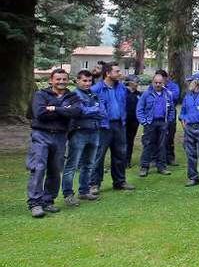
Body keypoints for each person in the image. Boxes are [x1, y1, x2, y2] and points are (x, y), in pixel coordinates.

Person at [26, 69, 81, 217]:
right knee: (38, 168)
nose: (61, 82)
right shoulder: (40, 95)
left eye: (64, 79)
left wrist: (54, 108)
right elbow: (40, 114)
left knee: (55, 170)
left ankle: (48, 201)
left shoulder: (73, 96)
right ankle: (35, 203)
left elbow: (76, 113)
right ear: (51, 80)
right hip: (41, 135)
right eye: (58, 79)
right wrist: (64, 111)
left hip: (61, 137)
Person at [61, 70, 104, 206]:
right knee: (72, 165)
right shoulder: (73, 95)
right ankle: (68, 194)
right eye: (84, 81)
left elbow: (103, 112)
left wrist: (91, 110)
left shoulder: (93, 94)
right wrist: (93, 110)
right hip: (79, 132)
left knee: (89, 164)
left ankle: (84, 191)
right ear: (77, 81)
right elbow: (79, 112)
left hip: (94, 131)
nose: (87, 83)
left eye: (90, 81)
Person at [91, 62, 134, 192]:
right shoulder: (96, 89)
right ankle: (94, 184)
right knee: (99, 155)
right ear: (108, 73)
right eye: (117, 71)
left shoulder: (121, 88)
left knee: (120, 154)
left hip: (119, 124)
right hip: (103, 126)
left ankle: (119, 181)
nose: (120, 73)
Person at [136, 72, 175, 176]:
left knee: (162, 145)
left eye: (160, 82)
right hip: (150, 123)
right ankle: (144, 167)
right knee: (148, 144)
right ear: (152, 83)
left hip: (163, 123)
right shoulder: (146, 94)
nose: (158, 84)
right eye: (156, 82)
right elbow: (139, 109)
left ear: (163, 83)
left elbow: (171, 109)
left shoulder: (168, 94)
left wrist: (169, 121)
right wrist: (144, 121)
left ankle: (161, 167)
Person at [156, 69, 181, 166]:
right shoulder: (154, 86)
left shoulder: (173, 86)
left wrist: (164, 89)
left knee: (170, 137)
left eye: (160, 79)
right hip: (158, 116)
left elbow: (174, 96)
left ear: (165, 78)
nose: (158, 82)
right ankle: (156, 158)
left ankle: (170, 158)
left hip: (170, 115)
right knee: (156, 138)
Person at [123, 75, 141, 168]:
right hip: (124, 120)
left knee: (130, 141)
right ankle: (121, 160)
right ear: (130, 82)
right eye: (135, 82)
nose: (137, 84)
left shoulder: (138, 94)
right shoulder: (123, 92)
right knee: (123, 141)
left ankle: (127, 161)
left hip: (134, 121)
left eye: (137, 82)